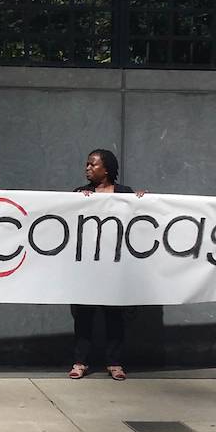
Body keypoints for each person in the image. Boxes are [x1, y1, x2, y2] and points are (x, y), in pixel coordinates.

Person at [68, 148, 145, 381]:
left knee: (114, 316)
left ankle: (114, 362)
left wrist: (144, 202)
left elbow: (140, 222)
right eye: (87, 164)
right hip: (87, 268)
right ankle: (80, 362)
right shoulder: (80, 193)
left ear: (107, 169)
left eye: (93, 165)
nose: (88, 168)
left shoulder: (125, 193)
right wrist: (76, 203)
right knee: (83, 316)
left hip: (114, 266)